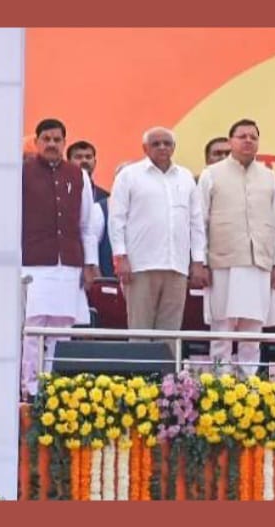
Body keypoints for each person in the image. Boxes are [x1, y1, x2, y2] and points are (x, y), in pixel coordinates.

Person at [194, 119, 275, 374]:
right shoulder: (211, 175)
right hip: (222, 262)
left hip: (259, 263)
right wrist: (200, 262)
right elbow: (200, 222)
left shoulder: (270, 178)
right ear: (230, 141)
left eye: (253, 137)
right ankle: (220, 383)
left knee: (252, 331)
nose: (248, 141)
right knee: (222, 329)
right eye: (242, 136)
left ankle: (249, 384)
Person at [20, 118, 99, 399]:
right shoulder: (22, 172)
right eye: (47, 139)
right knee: (33, 328)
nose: (52, 144)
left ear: (64, 143)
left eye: (57, 140)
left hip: (67, 263)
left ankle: (54, 385)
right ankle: (30, 387)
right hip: (32, 263)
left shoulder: (78, 175)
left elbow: (86, 225)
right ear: (37, 142)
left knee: (62, 329)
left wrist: (90, 264)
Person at [107, 128, 204, 349]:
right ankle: (139, 372)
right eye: (156, 143)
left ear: (174, 147)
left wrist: (198, 261)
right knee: (140, 330)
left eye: (167, 143)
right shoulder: (129, 175)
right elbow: (116, 219)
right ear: (145, 148)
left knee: (170, 333)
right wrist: (120, 257)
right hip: (140, 265)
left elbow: (196, 222)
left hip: (177, 266)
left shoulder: (186, 177)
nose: (162, 147)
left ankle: (166, 373)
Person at [68, 140, 115, 278]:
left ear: (95, 162)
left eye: (88, 157)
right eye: (78, 157)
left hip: (98, 263)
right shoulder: (62, 193)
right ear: (68, 162)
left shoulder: (106, 197)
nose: (84, 160)